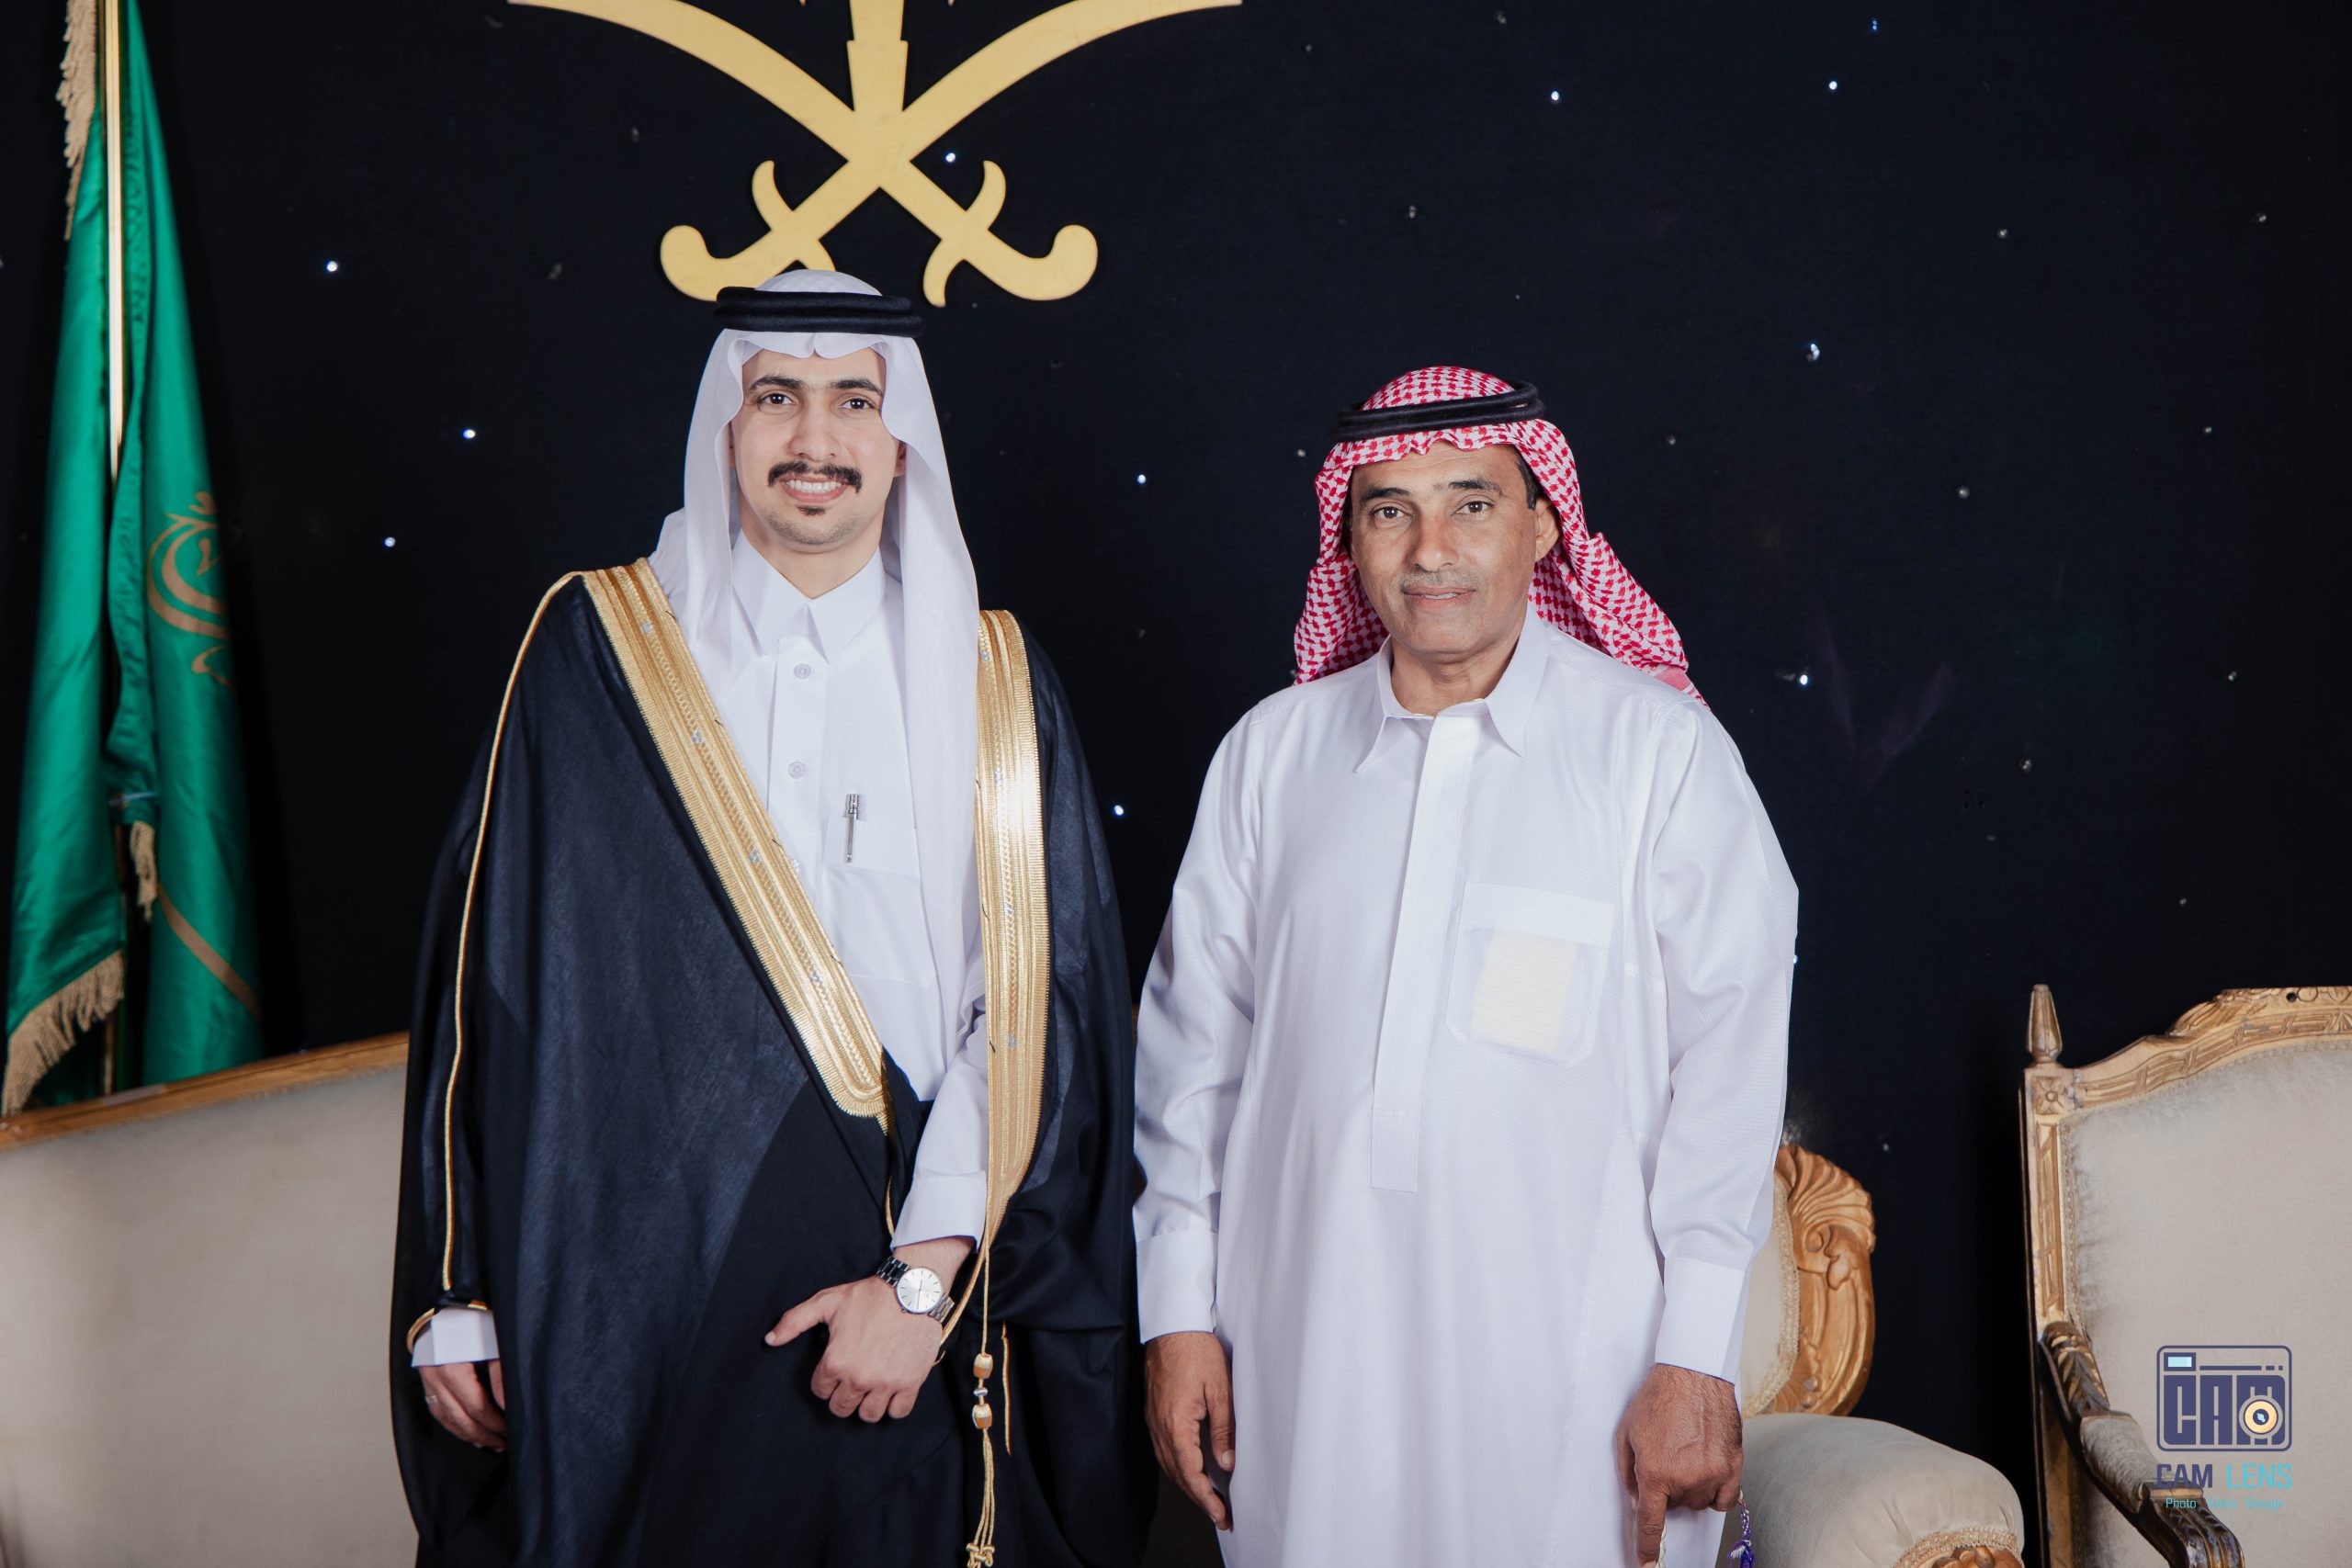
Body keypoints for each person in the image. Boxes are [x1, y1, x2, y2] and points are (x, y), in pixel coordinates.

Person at [389, 271, 1150, 1567]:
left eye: (855, 401)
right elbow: (485, 982)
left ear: (901, 441)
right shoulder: (597, 648)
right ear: (726, 428)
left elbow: (1036, 1013)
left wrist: (924, 1281)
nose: (814, 438)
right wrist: (457, 1285)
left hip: (904, 1295)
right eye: (778, 397)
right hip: (632, 1293)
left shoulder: (995, 680)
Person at [1133, 367, 1796, 1567]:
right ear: (1349, 541)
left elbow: (1732, 1066)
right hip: (1305, 1358)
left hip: (1577, 1377)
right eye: (1389, 511)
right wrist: (1176, 1315)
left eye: (1472, 504)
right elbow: (1191, 1066)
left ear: (1543, 526)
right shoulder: (1271, 759)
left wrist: (1697, 1356)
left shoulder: (1658, 753)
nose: (1430, 550)